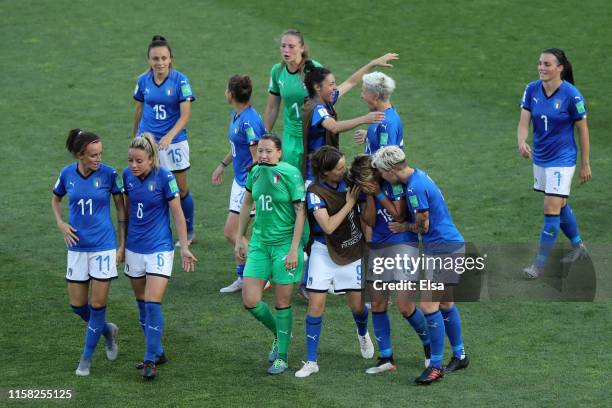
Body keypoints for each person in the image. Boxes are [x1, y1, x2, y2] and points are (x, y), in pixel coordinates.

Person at [372, 146, 469, 385]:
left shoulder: (414, 188)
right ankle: (460, 355)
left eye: (383, 172)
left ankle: (435, 366)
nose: (383, 177)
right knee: (445, 303)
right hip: (451, 244)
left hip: (443, 249)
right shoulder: (418, 176)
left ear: (392, 169)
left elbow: (423, 226)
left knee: (428, 305)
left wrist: (404, 227)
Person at [264, 28, 398, 171]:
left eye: (291, 46)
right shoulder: (279, 73)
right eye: (283, 46)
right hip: (292, 139)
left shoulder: (314, 74)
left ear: (302, 48)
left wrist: (372, 64)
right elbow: (272, 107)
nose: (286, 50)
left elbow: (349, 83)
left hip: (315, 141)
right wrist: (263, 137)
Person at [294, 146, 374, 378]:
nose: (344, 170)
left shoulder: (350, 180)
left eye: (344, 165)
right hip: (323, 251)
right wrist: (350, 203)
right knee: (315, 307)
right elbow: (328, 226)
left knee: (358, 307)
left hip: (352, 249)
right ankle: (311, 361)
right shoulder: (314, 192)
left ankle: (362, 333)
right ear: (325, 172)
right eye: (339, 168)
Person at [347, 155, 431, 374]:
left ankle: (431, 347)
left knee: (405, 306)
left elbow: (399, 215)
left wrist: (378, 193)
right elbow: (371, 221)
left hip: (404, 244)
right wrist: (370, 196)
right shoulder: (365, 191)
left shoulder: (393, 184)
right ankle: (386, 358)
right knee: (377, 305)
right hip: (379, 246)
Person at [51, 128, 126, 376]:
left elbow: (120, 209)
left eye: (100, 154)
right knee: (77, 305)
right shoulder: (66, 175)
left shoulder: (109, 175)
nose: (98, 159)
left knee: (97, 303)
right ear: (80, 155)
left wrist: (121, 244)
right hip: (76, 247)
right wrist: (61, 224)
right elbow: (55, 199)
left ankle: (85, 359)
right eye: (93, 155)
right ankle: (107, 330)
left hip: (103, 247)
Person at [123, 133, 197, 380]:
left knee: (153, 303)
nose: (134, 165)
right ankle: (158, 351)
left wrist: (184, 246)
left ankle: (149, 359)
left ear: (152, 158)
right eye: (131, 160)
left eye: (139, 161)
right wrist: (122, 245)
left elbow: (177, 213)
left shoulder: (165, 177)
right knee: (142, 305)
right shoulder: (127, 177)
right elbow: (126, 212)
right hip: (134, 248)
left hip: (160, 248)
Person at [235, 134, 307, 375]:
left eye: (268, 151)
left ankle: (283, 356)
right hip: (259, 245)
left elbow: (300, 213)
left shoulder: (290, 173)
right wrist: (239, 236)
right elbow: (247, 204)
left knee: (281, 302)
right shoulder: (255, 172)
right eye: (260, 151)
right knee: (250, 300)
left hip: (284, 246)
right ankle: (279, 333)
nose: (263, 155)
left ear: (279, 153)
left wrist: (294, 249)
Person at [517, 48, 591, 278]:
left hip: (563, 158)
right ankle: (578, 246)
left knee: (550, 208)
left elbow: (583, 130)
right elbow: (523, 122)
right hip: (541, 156)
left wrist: (585, 163)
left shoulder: (572, 95)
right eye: (540, 63)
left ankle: (538, 265)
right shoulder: (531, 89)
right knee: (559, 205)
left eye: (547, 64)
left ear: (560, 68)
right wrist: (521, 142)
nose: (541, 67)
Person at [133, 35, 196, 246]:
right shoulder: (143, 81)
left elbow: (185, 114)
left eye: (163, 58)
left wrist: (169, 135)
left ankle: (189, 229)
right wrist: (135, 138)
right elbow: (139, 108)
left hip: (174, 142)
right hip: (148, 141)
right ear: (148, 60)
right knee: (149, 186)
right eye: (155, 58)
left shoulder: (181, 80)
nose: (159, 62)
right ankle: (153, 228)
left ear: (170, 59)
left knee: (180, 188)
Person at [212, 75, 266, 293]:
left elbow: (257, 157)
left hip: (247, 185)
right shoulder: (239, 115)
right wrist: (222, 164)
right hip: (239, 181)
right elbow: (238, 147)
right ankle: (244, 277)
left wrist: (250, 190)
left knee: (231, 231)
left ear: (231, 94)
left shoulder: (249, 121)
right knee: (238, 233)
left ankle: (263, 269)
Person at [301, 64, 385, 182]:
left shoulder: (325, 100)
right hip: (316, 176)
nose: (335, 88)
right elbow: (334, 127)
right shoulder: (316, 108)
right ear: (317, 87)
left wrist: (372, 63)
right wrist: (364, 119)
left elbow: (351, 82)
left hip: (329, 169)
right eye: (331, 84)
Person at [354, 72, 404, 155]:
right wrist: (369, 135)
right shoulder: (382, 115)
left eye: (364, 92)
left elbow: (386, 162)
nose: (361, 96)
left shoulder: (387, 123)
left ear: (375, 96)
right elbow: (383, 136)